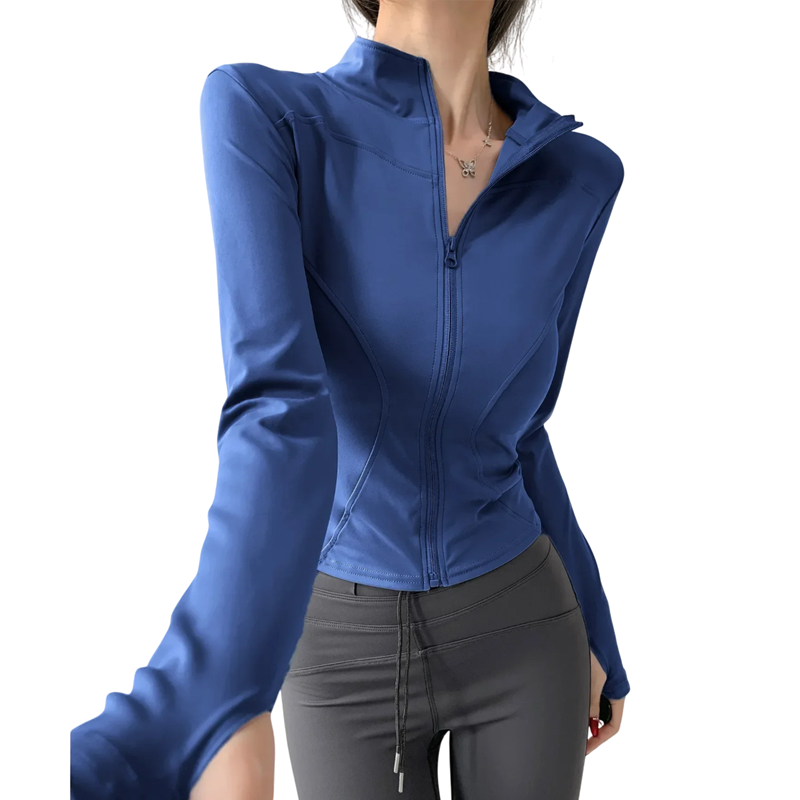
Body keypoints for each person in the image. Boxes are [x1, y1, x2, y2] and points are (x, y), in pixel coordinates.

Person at [70, 2, 631, 799]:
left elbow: (524, 428)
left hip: (523, 622)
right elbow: (278, 411)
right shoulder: (270, 116)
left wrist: (596, 625)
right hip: (341, 646)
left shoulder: (579, 176)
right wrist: (201, 704)